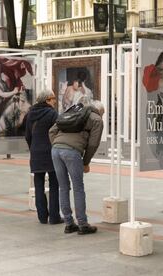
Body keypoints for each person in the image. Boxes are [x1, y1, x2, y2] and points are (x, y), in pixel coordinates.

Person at [49, 100, 104, 235]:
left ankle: (69, 223)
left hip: (55, 150)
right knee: (78, 188)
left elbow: (52, 131)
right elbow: (93, 144)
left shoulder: (75, 111)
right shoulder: (97, 119)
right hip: (72, 152)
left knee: (63, 187)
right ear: (100, 111)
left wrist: (57, 144)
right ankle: (83, 224)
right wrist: (86, 162)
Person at [25, 90, 63, 225]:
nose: (54, 101)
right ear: (47, 100)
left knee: (38, 185)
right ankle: (54, 217)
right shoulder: (52, 114)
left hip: (36, 153)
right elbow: (58, 133)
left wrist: (33, 148)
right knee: (54, 185)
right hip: (51, 153)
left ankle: (42, 216)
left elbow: (28, 136)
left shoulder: (30, 114)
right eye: (53, 99)